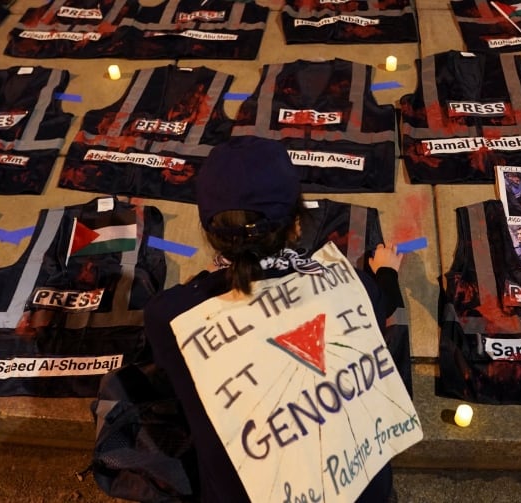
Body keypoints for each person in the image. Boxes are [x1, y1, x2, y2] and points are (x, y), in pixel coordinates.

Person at [143, 136, 407, 503]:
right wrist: (386, 273)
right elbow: (385, 299)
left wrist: (201, 285)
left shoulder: (170, 315)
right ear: (297, 225)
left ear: (210, 233)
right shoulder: (354, 286)